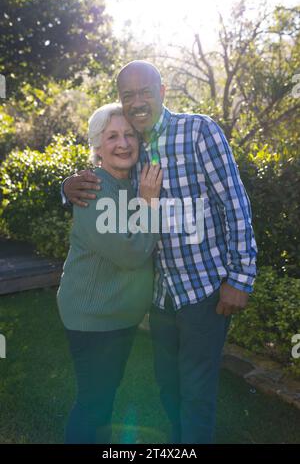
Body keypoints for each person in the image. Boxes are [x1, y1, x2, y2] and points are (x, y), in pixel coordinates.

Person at [62, 61, 257, 444]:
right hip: (161, 297)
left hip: (204, 291)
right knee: (168, 388)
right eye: (127, 95)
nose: (137, 102)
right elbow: (102, 184)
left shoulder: (199, 131)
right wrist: (66, 186)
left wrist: (241, 277)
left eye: (145, 92)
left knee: (197, 394)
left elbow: (235, 205)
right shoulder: (132, 148)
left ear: (162, 91)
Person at [57, 102, 162, 444]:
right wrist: (149, 203)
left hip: (121, 317)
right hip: (93, 317)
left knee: (105, 395)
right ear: (97, 146)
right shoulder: (93, 187)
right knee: (94, 401)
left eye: (129, 135)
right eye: (112, 136)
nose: (123, 143)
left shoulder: (132, 182)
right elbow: (131, 254)